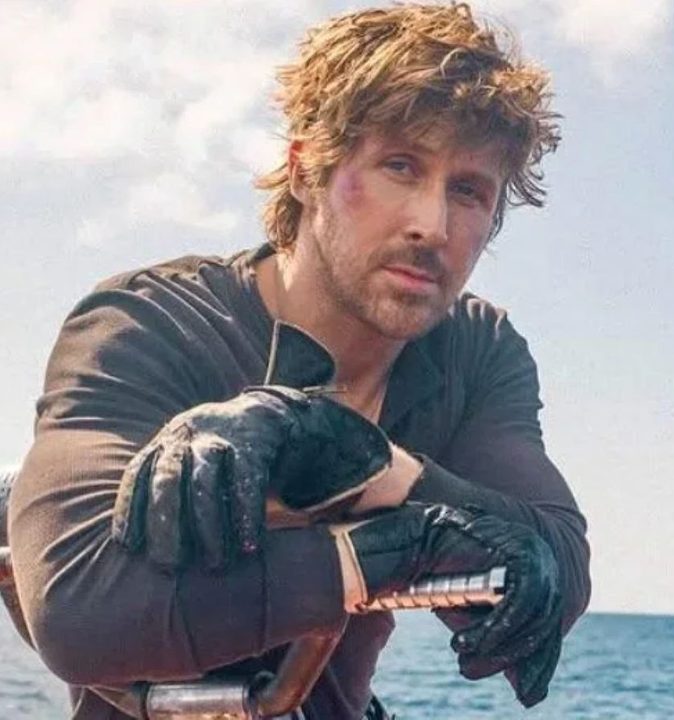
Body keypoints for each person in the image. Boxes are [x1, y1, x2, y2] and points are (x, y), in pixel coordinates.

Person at [7, 4, 590, 719]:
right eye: (399, 166)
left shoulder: (476, 350)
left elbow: (556, 567)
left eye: (468, 191)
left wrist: (362, 464)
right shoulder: (146, 323)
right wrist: (390, 549)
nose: (431, 225)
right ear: (305, 170)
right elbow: (78, 612)